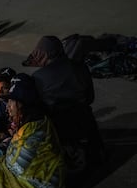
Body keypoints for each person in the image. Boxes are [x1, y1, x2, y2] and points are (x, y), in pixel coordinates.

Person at [25, 35, 105, 172]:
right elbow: (90, 98)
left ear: (43, 53)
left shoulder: (38, 77)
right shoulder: (79, 67)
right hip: (85, 121)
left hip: (60, 127)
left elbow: (38, 109)